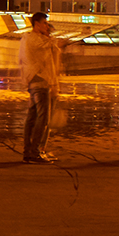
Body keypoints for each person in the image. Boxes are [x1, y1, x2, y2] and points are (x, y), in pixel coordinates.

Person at [19, 11, 69, 164]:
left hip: (39, 82)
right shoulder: (31, 39)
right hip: (40, 82)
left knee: (33, 117)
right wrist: (57, 42)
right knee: (42, 118)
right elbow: (47, 46)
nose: (47, 26)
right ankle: (34, 151)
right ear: (37, 24)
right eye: (45, 23)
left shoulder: (34, 39)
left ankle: (30, 151)